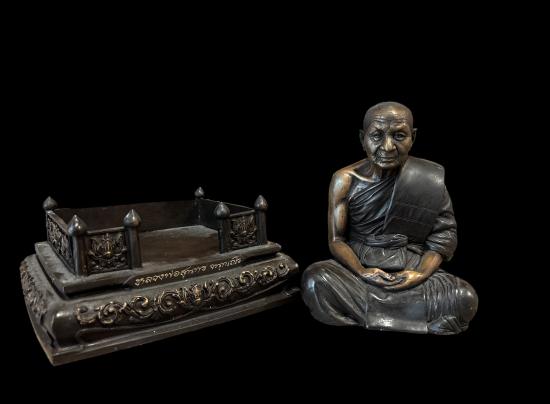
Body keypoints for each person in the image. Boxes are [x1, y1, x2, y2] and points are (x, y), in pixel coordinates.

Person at [301, 101, 478, 334]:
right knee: (315, 280)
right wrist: (362, 271)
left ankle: (370, 313)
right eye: (376, 136)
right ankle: (413, 317)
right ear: (362, 138)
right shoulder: (345, 179)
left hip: (410, 267)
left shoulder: (428, 179)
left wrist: (419, 274)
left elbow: (443, 238)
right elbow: (336, 240)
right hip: (359, 267)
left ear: (413, 137)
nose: (387, 146)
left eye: (399, 136)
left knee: (464, 297)